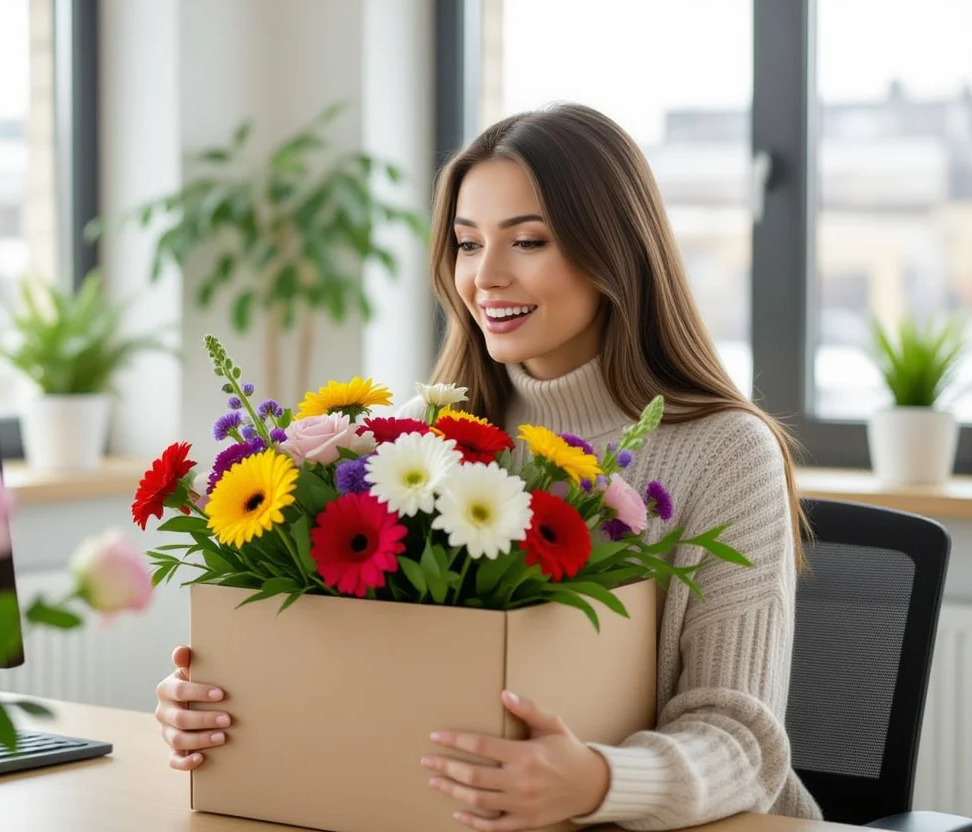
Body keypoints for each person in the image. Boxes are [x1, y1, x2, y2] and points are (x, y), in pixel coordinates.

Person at [154, 103, 824, 830]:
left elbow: (743, 744)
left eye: (528, 241)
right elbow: (378, 674)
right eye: (468, 245)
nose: (487, 277)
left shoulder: (726, 451)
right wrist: (226, 705)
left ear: (615, 253)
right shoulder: (416, 439)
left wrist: (599, 782)